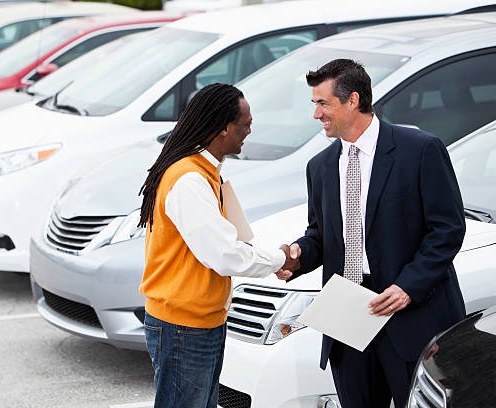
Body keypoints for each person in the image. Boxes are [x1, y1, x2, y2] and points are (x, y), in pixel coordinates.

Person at [282, 59, 466, 408]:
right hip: (347, 319)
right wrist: (296, 255)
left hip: (412, 316)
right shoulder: (320, 167)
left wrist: (408, 287)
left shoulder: (420, 150)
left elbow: (448, 229)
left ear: (353, 100)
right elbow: (321, 235)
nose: (316, 114)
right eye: (314, 104)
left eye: (323, 103)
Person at [138, 83, 296, 408]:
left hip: (198, 322)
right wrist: (279, 258)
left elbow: (238, 239)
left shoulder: (208, 174)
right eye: (245, 124)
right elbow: (225, 254)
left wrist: (271, 258)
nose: (249, 131)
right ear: (222, 128)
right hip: (183, 326)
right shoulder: (189, 180)